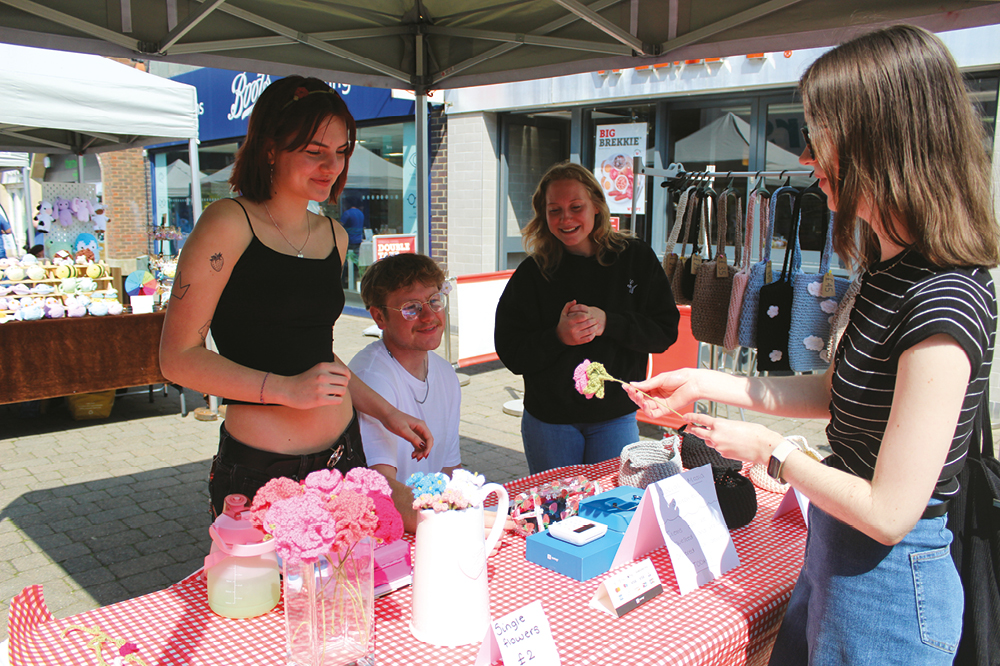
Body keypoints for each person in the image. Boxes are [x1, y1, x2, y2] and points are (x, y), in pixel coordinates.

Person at [627, 25, 999, 665]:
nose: (806, 158)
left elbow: (889, 512)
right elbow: (838, 392)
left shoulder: (945, 301)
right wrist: (704, 385)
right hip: (838, 557)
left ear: (879, 143)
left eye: (819, 137)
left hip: (889, 590)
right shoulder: (889, 269)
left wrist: (772, 452)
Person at [159, 76, 433, 518]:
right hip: (262, 470)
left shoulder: (334, 236)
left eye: (341, 152)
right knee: (270, 589)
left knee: (356, 585)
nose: (333, 166)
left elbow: (317, 355)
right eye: (314, 151)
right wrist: (285, 390)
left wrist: (386, 413)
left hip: (343, 456)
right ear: (270, 148)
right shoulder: (228, 224)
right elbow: (177, 358)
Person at [495, 161, 680, 474]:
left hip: (615, 417)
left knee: (613, 512)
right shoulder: (533, 273)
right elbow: (511, 351)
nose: (565, 218)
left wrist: (609, 322)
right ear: (543, 215)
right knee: (559, 515)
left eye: (576, 206)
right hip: (549, 422)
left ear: (597, 206)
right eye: (554, 210)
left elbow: (664, 331)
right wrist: (557, 337)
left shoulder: (634, 258)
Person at [350, 253, 462, 529]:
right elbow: (380, 489)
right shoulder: (372, 378)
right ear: (379, 317)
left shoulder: (446, 372)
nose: (429, 316)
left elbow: (450, 471)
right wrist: (459, 522)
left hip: (430, 521)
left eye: (434, 301)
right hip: (393, 531)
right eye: (411, 308)